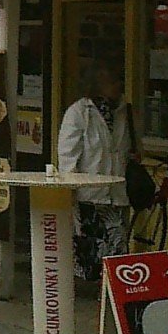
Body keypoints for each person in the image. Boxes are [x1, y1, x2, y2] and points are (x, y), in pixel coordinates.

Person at [57, 63, 135, 290]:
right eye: (112, 82)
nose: (118, 86)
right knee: (93, 250)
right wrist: (69, 189)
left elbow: (130, 150)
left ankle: (115, 292)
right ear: (98, 86)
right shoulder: (79, 113)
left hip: (118, 192)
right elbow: (67, 155)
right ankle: (98, 291)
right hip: (90, 194)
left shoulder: (125, 112)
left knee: (118, 246)